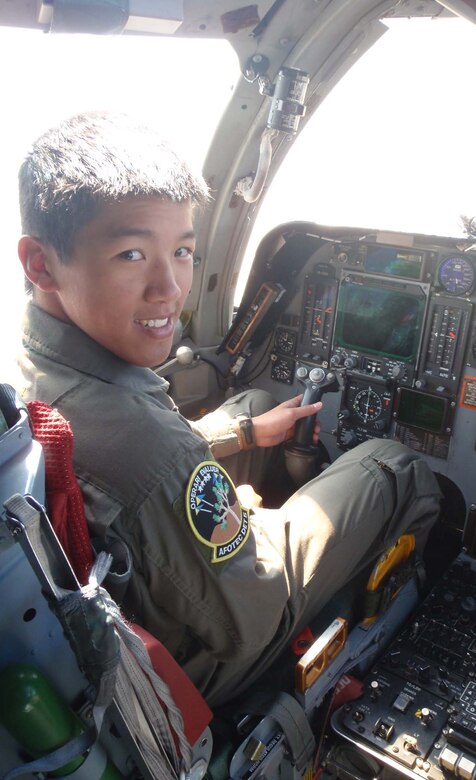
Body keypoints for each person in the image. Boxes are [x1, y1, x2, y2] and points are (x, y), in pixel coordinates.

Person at [15, 111, 442, 707]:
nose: (170, 288)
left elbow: (147, 465)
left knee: (260, 402)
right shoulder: (149, 449)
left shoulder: (27, 365)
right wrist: (250, 529)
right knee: (392, 466)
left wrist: (243, 428)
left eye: (184, 250)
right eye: (132, 255)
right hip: (188, 672)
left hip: (113, 609)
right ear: (40, 263)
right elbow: (257, 606)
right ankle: (396, 641)